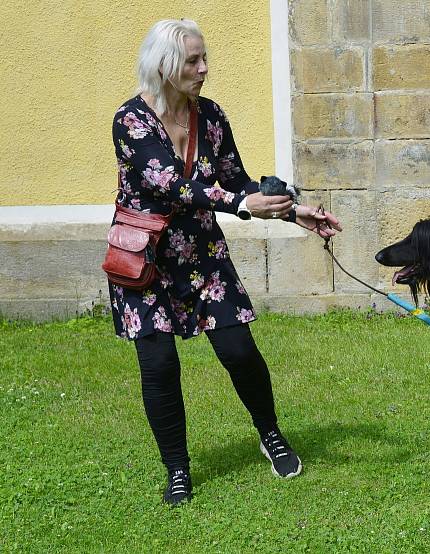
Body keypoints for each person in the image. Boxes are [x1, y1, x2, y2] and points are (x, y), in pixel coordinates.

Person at [108, 18, 341, 506]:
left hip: (202, 253)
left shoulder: (211, 116)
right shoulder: (130, 121)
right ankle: (177, 468)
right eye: (193, 61)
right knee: (158, 363)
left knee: (238, 350)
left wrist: (293, 212)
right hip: (146, 257)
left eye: (203, 57)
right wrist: (238, 205)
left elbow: (236, 183)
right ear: (166, 65)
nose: (204, 69)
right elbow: (168, 184)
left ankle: (270, 433)